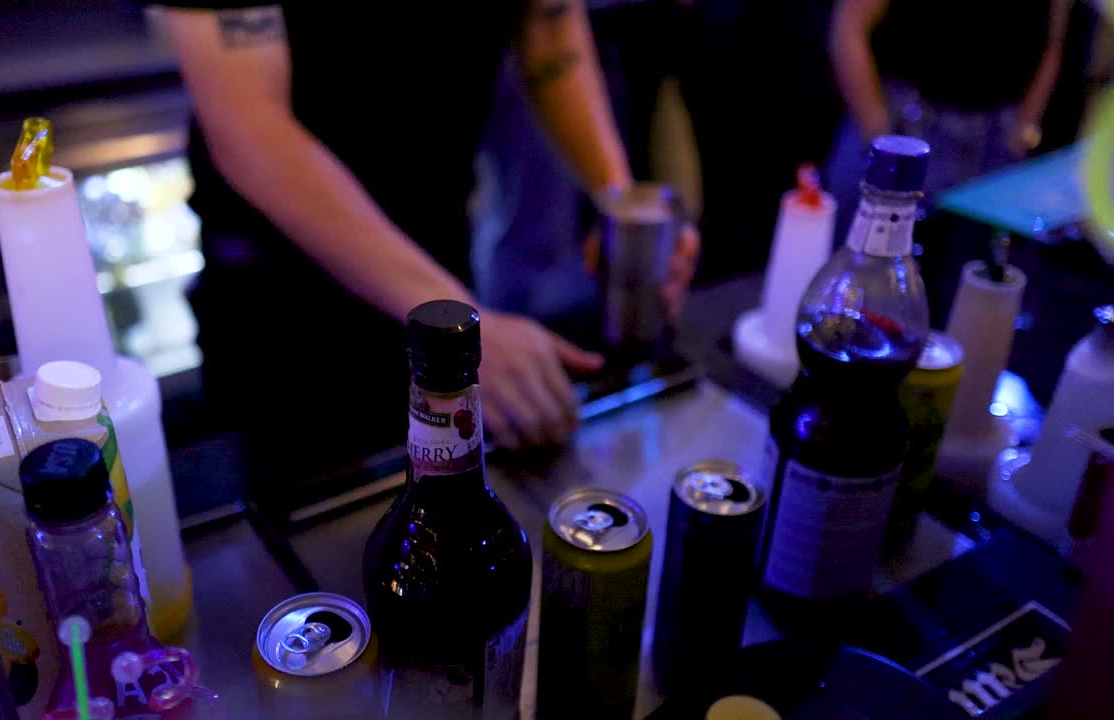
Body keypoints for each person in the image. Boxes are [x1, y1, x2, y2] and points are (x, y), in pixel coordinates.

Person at [149, 2, 699, 503]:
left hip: (434, 257)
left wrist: (625, 209)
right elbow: (250, 127)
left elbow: (548, 26)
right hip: (283, 298)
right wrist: (451, 319)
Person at [826, 0, 1069, 234]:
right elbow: (849, 28)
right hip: (906, 123)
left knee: (971, 262)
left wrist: (1024, 129)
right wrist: (878, 131)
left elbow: (1053, 42)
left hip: (997, 136)